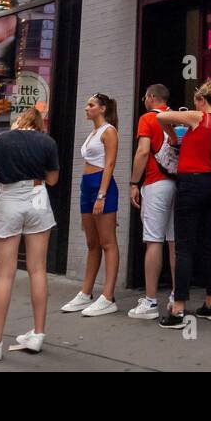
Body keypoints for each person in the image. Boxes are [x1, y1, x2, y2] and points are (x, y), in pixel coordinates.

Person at [0, 107, 59, 361]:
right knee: (38, 269)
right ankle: (38, 333)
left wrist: (4, 169)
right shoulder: (47, 141)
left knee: (5, 274)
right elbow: (53, 180)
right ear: (38, 123)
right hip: (37, 197)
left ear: (19, 120)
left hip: (10, 196)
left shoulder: (3, 139)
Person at [155, 79, 211, 328]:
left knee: (184, 247)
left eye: (196, 99)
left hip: (191, 184)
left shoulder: (199, 117)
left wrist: (173, 138)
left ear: (201, 99)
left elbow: (161, 118)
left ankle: (177, 310)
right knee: (208, 243)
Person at [60, 94, 121, 317]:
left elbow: (110, 163)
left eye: (91, 105)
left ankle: (108, 296)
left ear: (102, 109)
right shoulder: (93, 133)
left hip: (101, 187)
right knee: (91, 241)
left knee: (107, 242)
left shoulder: (109, 131)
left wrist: (102, 194)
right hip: (86, 186)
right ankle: (86, 292)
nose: (86, 108)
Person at [127, 83, 179, 319]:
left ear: (150, 97)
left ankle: (150, 302)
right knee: (173, 242)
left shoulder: (148, 118)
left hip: (155, 182)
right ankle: (176, 297)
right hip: (176, 183)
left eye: (144, 96)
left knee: (153, 241)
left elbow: (142, 151)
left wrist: (133, 183)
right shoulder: (177, 119)